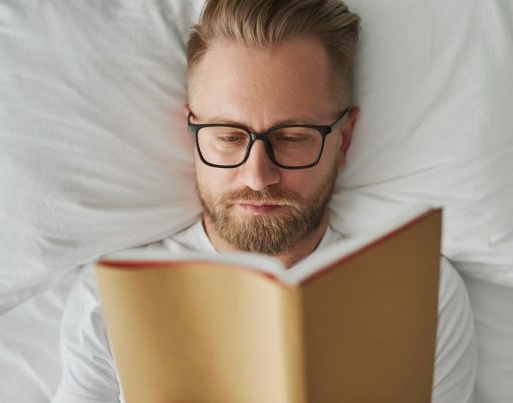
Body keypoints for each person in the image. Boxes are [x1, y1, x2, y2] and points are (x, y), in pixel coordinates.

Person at [52, 0, 477, 402]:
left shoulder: (423, 292)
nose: (258, 177)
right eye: (228, 137)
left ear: (343, 140)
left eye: (292, 138)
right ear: (192, 132)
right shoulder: (111, 297)